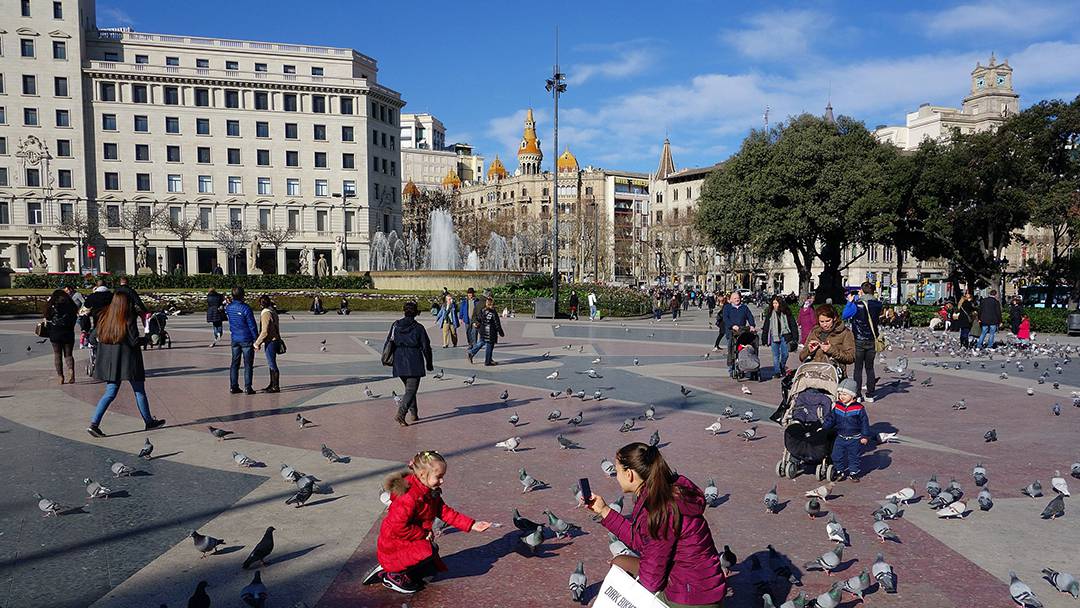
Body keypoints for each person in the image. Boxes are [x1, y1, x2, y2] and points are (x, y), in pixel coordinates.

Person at [583, 443, 727, 607]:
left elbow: (651, 581)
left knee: (622, 586)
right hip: (703, 584)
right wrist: (604, 510)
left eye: (618, 471)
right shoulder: (666, 491)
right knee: (620, 562)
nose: (616, 476)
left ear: (629, 474)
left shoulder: (660, 509)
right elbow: (642, 540)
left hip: (691, 598)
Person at [366, 450, 492, 593]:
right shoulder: (408, 497)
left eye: (442, 476)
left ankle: (398, 566)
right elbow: (398, 527)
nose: (442, 481)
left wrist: (472, 524)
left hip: (406, 537)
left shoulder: (428, 491)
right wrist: (422, 534)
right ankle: (392, 574)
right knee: (427, 550)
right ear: (422, 475)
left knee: (430, 561)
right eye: (439, 477)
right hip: (394, 541)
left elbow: (444, 511)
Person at [86, 291, 165, 437]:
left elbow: (92, 338)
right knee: (139, 391)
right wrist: (147, 339)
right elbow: (134, 341)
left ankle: (94, 424)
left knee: (110, 393)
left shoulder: (104, 317)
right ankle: (148, 421)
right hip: (129, 361)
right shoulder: (128, 318)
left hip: (111, 363)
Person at [386, 301, 434, 425]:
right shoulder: (419, 328)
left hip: (399, 360)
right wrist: (429, 363)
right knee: (411, 390)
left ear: (404, 311)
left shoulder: (395, 325)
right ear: (416, 312)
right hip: (414, 361)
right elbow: (426, 347)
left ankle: (414, 414)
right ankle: (401, 414)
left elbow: (389, 342)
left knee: (410, 389)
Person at [822, 378, 870, 482]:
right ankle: (840, 471)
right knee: (836, 455)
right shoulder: (838, 406)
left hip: (855, 438)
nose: (841, 396)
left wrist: (865, 436)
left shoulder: (859, 408)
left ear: (853, 396)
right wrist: (824, 427)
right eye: (840, 394)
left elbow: (864, 423)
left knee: (854, 457)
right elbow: (832, 418)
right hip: (840, 436)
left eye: (844, 394)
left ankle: (854, 472)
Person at [842, 282, 883, 402]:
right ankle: (870, 394)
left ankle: (858, 394)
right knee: (870, 368)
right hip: (872, 340)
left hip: (859, 339)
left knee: (858, 368)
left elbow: (845, 315)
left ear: (861, 291)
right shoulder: (878, 304)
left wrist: (850, 301)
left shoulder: (857, 304)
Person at [798, 304, 855, 375]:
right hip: (814, 375)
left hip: (833, 376)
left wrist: (831, 350)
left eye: (828, 321)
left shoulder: (845, 332)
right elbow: (801, 357)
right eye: (821, 322)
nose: (825, 324)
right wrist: (809, 351)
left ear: (834, 318)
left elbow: (851, 357)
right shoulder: (815, 331)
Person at [226, 287, 259, 395]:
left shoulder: (229, 308)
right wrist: (256, 339)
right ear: (242, 295)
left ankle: (233, 386)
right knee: (248, 364)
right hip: (246, 339)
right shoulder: (246, 308)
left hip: (235, 338)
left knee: (234, 363)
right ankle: (248, 387)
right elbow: (252, 325)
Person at [45, 289, 78, 384]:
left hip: (55, 332)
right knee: (68, 354)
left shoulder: (51, 305)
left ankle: (60, 376)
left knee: (57, 354)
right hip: (68, 331)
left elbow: (47, 316)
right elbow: (75, 316)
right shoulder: (70, 305)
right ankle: (71, 370)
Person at [762, 295, 797, 379]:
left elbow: (793, 325)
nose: (775, 305)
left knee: (785, 354)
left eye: (776, 303)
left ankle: (782, 366)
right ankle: (777, 372)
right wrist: (764, 337)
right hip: (774, 336)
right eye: (773, 303)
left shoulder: (786, 312)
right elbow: (766, 326)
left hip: (785, 336)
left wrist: (795, 337)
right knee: (775, 355)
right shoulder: (770, 313)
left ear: (780, 303)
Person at [722, 290, 756, 377]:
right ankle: (731, 368)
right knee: (732, 348)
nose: (737, 299)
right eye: (735, 298)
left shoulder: (744, 307)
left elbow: (750, 316)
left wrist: (752, 325)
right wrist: (732, 326)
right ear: (731, 300)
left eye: (738, 298)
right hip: (731, 332)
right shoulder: (727, 307)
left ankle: (743, 365)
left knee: (742, 349)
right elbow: (725, 318)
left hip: (741, 332)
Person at [252, 295, 281, 393]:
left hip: (270, 341)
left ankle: (275, 386)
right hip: (276, 339)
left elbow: (264, 331)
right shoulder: (273, 311)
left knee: (272, 363)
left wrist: (257, 343)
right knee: (271, 363)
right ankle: (272, 384)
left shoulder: (266, 313)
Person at [467, 297, 504, 366]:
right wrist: (501, 332)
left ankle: (471, 353)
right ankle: (488, 361)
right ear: (492, 304)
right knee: (489, 346)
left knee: (481, 342)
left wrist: (476, 323)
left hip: (483, 331)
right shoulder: (493, 313)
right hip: (491, 332)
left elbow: (478, 318)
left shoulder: (483, 310)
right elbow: (497, 324)